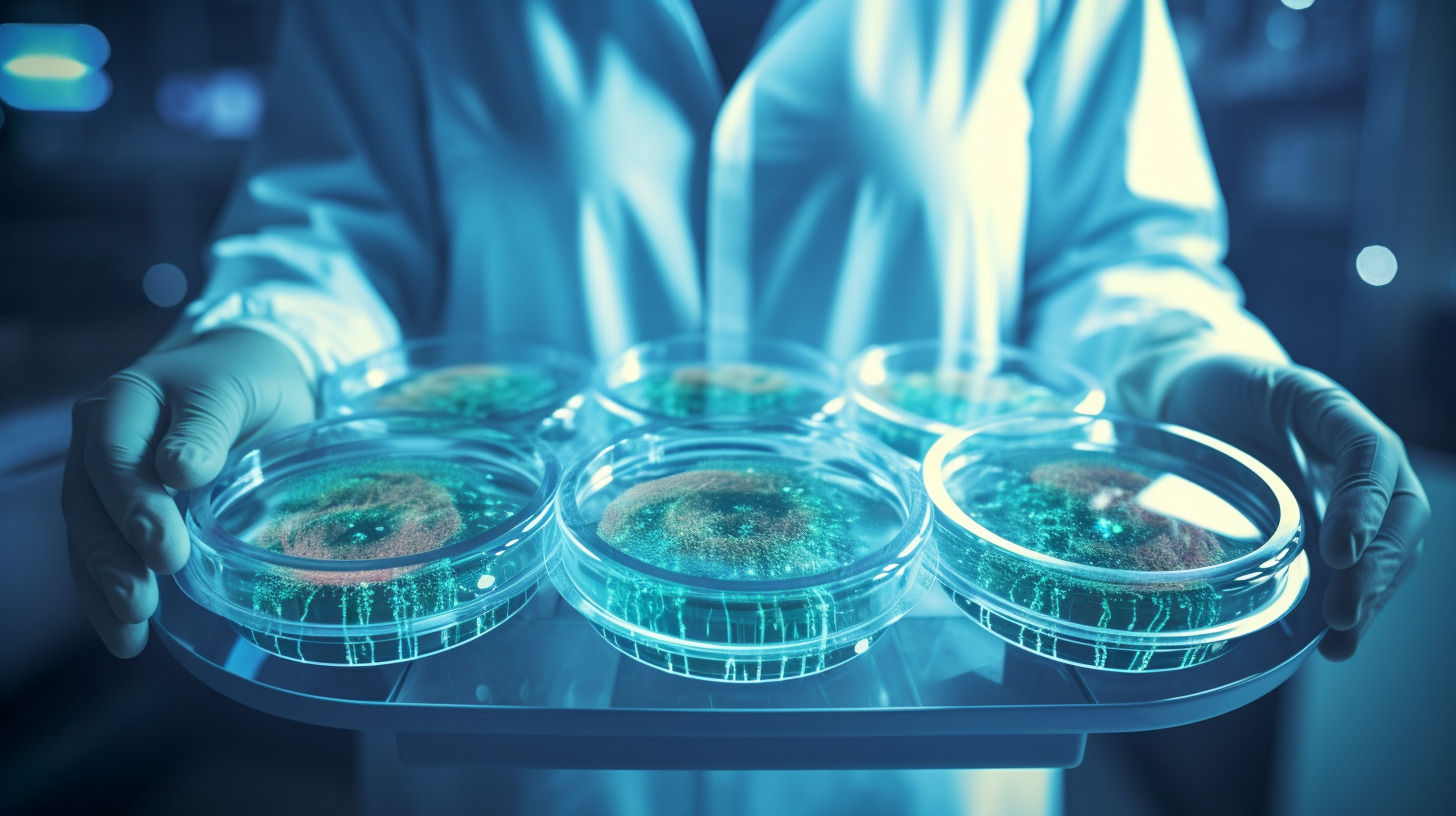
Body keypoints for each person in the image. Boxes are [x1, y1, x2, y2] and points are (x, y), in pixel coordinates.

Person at [61, 1, 1429, 813]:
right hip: (526, 745)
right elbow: (336, 240)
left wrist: (1215, 387)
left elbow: (1116, 258)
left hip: (916, 744)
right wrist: (245, 355)